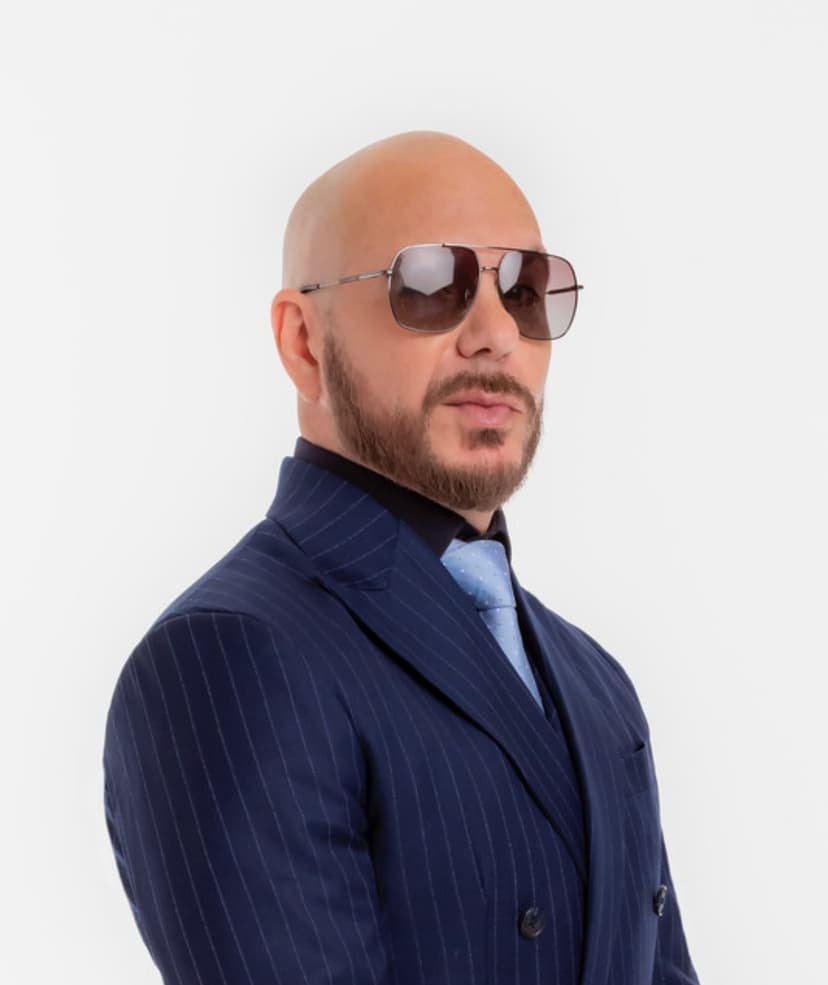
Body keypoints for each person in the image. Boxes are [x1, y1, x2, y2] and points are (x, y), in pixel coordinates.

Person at [102, 130, 699, 985]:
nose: (495, 334)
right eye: (429, 284)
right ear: (304, 341)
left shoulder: (597, 682)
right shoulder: (232, 653)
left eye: (525, 290)